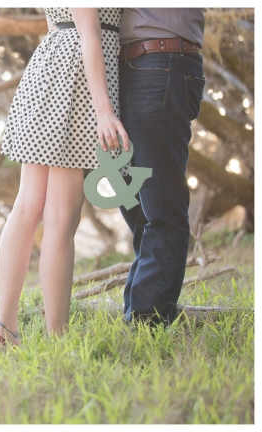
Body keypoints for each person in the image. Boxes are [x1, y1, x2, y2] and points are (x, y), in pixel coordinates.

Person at [0, 8, 128, 346]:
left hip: (51, 73)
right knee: (60, 218)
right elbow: (90, 35)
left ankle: (5, 328)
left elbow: (57, 24)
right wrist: (104, 111)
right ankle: (57, 337)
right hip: (76, 84)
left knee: (28, 207)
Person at [118, 9, 206, 326]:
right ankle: (140, 311)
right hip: (124, 68)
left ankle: (147, 326)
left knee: (161, 205)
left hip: (161, 62)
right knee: (135, 204)